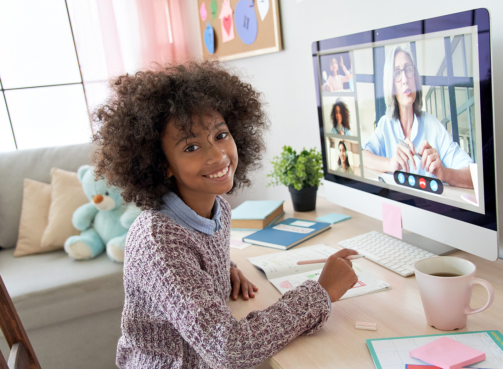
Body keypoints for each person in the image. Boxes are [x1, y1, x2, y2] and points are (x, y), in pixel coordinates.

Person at [92, 61, 359, 368]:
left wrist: (220, 269)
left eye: (220, 135)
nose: (217, 155)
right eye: (191, 147)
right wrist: (321, 292)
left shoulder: (216, 206)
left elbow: (196, 251)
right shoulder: (159, 242)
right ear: (161, 163)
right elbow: (229, 350)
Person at [362, 46, 474, 188]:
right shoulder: (386, 125)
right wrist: (390, 164)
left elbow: (473, 176)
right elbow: (362, 157)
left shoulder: (433, 125)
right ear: (391, 85)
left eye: (408, 69)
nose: (404, 80)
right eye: (397, 73)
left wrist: (444, 173)